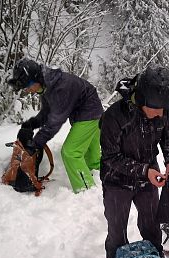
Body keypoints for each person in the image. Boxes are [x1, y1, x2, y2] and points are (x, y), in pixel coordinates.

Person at [99, 65, 169, 258]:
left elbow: (168, 139)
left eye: (164, 110)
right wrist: (144, 170)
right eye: (155, 109)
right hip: (116, 181)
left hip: (147, 177)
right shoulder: (115, 117)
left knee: (151, 226)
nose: (160, 115)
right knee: (117, 232)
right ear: (142, 99)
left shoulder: (162, 111)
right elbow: (110, 157)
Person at [7, 58, 103, 193]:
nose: (27, 90)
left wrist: (36, 143)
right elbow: (47, 112)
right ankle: (101, 179)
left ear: (36, 77)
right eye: (25, 87)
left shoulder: (59, 88)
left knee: (71, 153)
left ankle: (86, 191)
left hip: (89, 115)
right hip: (90, 113)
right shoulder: (47, 85)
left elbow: (55, 121)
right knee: (92, 156)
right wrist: (31, 124)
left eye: (28, 85)